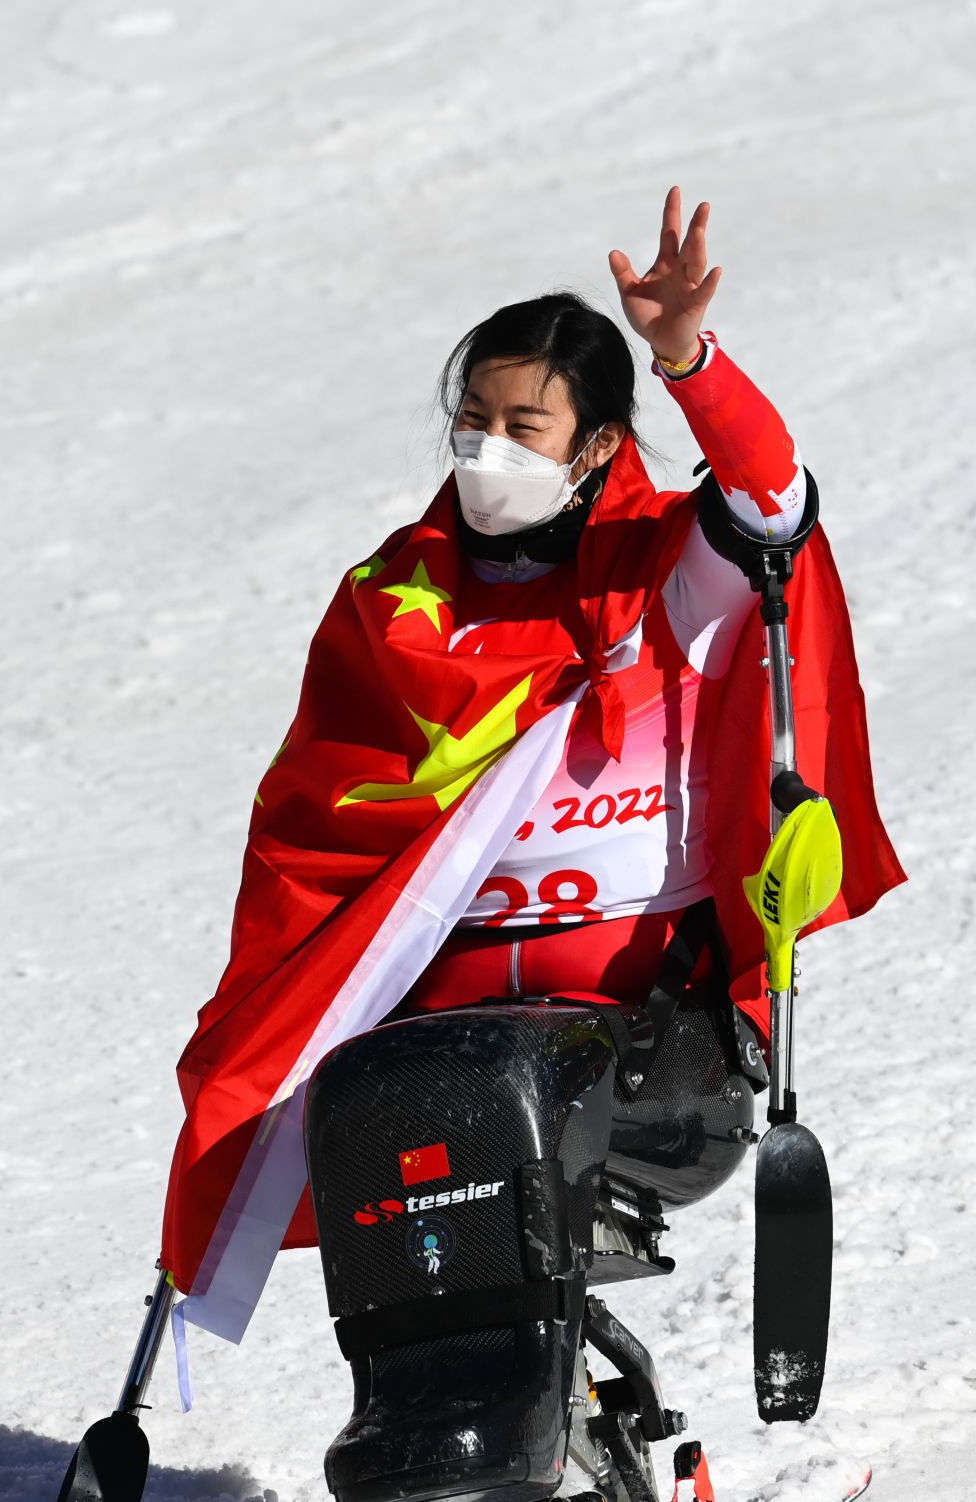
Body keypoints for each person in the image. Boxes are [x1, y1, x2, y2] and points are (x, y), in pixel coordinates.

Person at [161, 189, 904, 1346]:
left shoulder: (663, 569)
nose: (485, 449)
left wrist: (689, 361)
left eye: (522, 426)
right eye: (471, 419)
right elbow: (321, 821)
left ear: (597, 444)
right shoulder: (391, 598)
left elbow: (772, 502)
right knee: (405, 1189)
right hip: (432, 1023)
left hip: (645, 1029)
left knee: (488, 1116)